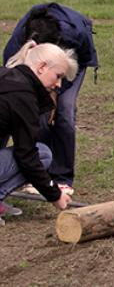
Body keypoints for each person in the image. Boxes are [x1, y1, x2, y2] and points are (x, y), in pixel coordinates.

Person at [3, 3, 98, 195]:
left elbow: (85, 58)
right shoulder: (16, 47)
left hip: (72, 64)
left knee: (65, 111)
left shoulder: (75, 33)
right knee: (37, 120)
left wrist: (55, 91)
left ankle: (62, 176)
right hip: (40, 73)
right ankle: (37, 174)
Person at [0, 42, 75, 222]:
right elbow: (28, 155)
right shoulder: (23, 96)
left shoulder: (5, 75)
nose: (58, 84)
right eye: (58, 76)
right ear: (42, 67)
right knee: (42, 154)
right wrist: (54, 195)